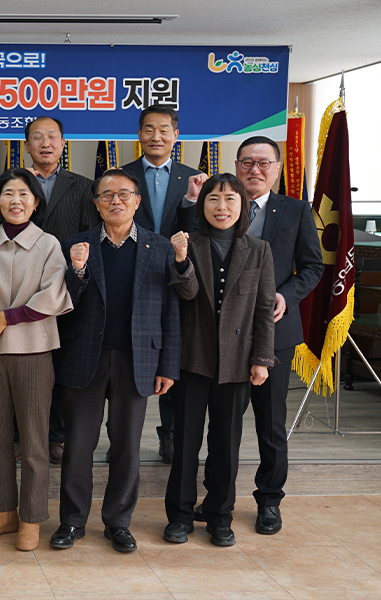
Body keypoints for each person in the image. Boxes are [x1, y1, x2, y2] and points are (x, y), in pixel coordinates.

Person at [191, 136, 323, 535]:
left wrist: (286, 295)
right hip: (220, 339)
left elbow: (313, 267)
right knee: (223, 425)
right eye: (247, 162)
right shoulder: (216, 207)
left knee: (270, 423)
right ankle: (217, 498)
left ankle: (269, 500)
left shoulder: (296, 210)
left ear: (277, 168)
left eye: (264, 162)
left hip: (273, 334)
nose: (255, 169)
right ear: (236, 165)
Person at [52, 169, 180, 554]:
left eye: (124, 194)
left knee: (126, 446)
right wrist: (76, 270)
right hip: (83, 358)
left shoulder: (160, 247)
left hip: (138, 360)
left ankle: (118, 522)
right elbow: (61, 302)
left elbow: (171, 310)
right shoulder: (76, 244)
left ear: (138, 201)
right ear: (96, 203)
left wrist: (168, 366)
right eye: (107, 195)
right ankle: (72, 521)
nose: (116, 200)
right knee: (78, 445)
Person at [0, 168, 73, 552]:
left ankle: (31, 518)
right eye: (7, 193)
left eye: (23, 194)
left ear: (36, 202)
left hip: (34, 350)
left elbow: (54, 293)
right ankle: (3, 511)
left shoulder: (49, 244)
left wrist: (10, 316)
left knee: (35, 441)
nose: (15, 200)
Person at [163, 173, 276, 546]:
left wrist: (262, 359)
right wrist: (181, 260)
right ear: (202, 206)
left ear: (243, 206)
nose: (221, 207)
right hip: (192, 359)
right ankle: (180, 516)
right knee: (185, 443)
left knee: (226, 445)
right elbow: (186, 294)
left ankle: (219, 516)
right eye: (213, 199)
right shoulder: (187, 244)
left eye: (230, 199)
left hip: (237, 362)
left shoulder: (259, 249)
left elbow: (263, 309)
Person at [121, 105, 201, 464]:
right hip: (130, 275)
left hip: (176, 275)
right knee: (126, 356)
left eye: (164, 130)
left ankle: (169, 434)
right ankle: (121, 438)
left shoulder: (194, 179)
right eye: (149, 129)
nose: (156, 136)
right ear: (139, 134)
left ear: (175, 136)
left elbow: (199, 229)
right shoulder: (120, 176)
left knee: (173, 355)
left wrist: (190, 202)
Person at [25, 116, 100, 465]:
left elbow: (90, 237)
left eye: (52, 137)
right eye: (37, 137)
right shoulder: (13, 182)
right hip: (20, 288)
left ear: (63, 143)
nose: (45, 143)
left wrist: (75, 274)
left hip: (66, 288)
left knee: (60, 367)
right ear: (27, 145)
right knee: (24, 367)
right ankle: (20, 436)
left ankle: (57, 436)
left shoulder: (83, 186)